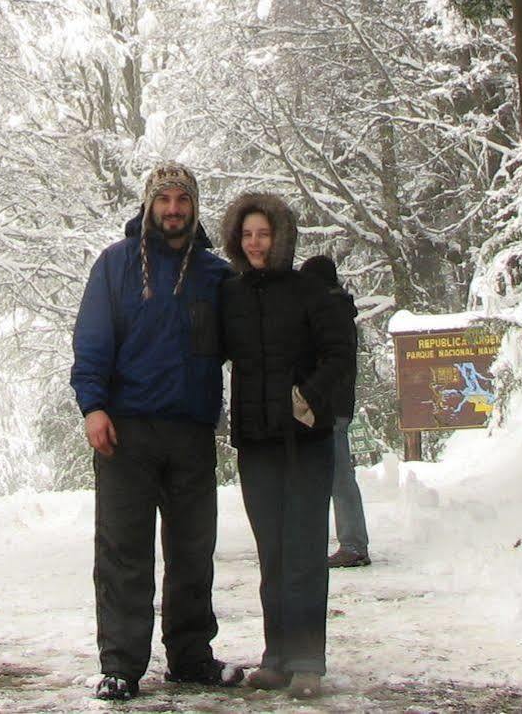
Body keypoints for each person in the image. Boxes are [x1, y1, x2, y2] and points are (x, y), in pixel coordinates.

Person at [71, 162, 240, 702]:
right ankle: (121, 664)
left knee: (193, 551)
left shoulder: (215, 275)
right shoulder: (115, 266)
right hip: (125, 433)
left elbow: (258, 334)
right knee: (124, 552)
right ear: (148, 205)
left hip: (190, 433)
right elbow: (92, 340)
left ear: (194, 207)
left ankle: (191, 657)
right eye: (163, 199)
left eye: (182, 200)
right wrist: (93, 407)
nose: (173, 209)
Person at [219, 193, 357, 700]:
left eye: (264, 234)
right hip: (256, 443)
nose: (255, 243)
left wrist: (308, 397)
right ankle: (275, 656)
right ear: (238, 239)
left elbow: (339, 351)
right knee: (271, 553)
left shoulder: (308, 291)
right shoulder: (229, 295)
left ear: (280, 237)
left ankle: (307, 661)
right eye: (247, 234)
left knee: (302, 551)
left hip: (305, 441)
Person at [300, 255, 372, 569]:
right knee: (336, 476)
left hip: (330, 405)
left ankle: (354, 544)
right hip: (337, 404)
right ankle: (352, 542)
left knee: (339, 476)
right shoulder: (340, 308)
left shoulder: (330, 311)